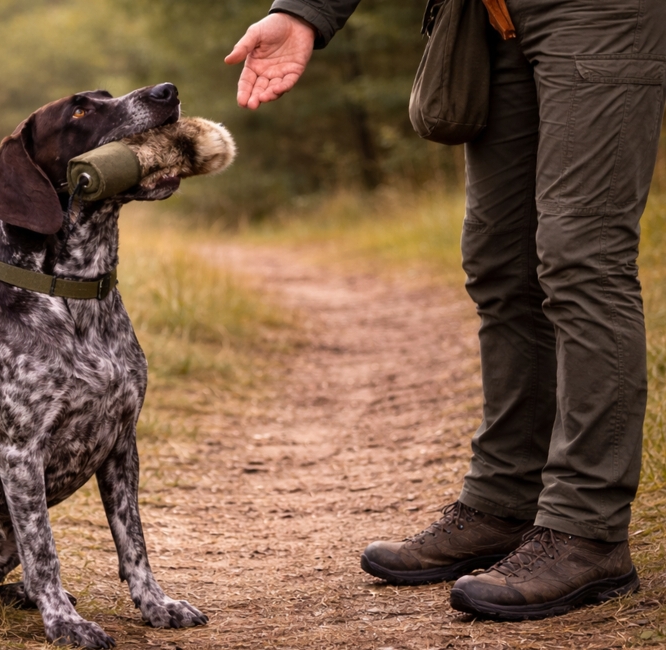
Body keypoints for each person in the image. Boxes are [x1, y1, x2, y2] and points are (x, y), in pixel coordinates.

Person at [227, 0, 666, 620]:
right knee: (501, 261)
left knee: (582, 259)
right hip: (490, 18)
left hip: (599, 14)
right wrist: (305, 12)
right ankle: (504, 501)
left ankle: (587, 531)